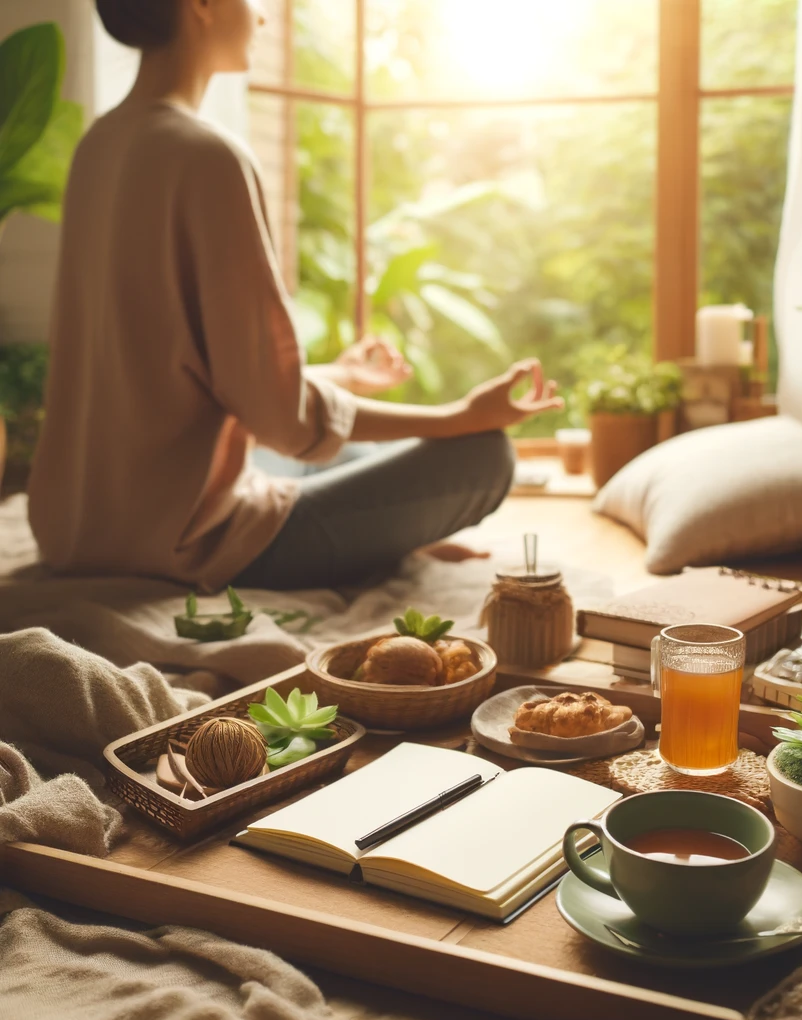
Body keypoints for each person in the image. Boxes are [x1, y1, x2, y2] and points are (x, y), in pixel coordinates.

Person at [28, 0, 562, 593]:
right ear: (200, 6)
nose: (259, 17)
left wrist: (339, 375)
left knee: (354, 455)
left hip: (80, 525)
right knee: (483, 457)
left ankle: (387, 523)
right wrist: (457, 417)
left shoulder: (98, 146)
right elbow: (283, 420)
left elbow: (169, 373)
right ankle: (392, 522)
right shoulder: (209, 156)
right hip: (188, 540)